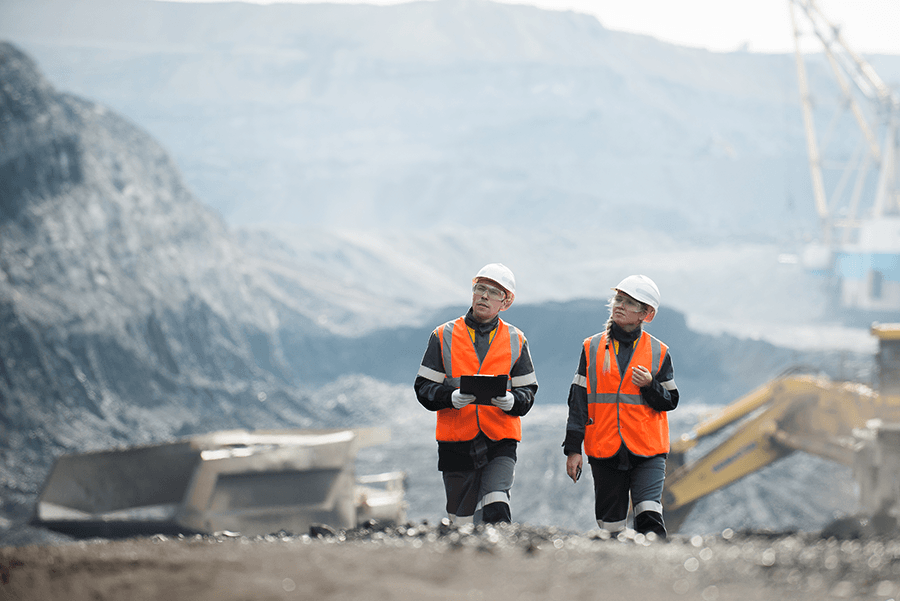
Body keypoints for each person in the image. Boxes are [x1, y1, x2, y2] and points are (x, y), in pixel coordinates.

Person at [414, 263, 538, 525]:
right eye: (480, 288)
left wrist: (513, 401)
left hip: (500, 439)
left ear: (506, 302)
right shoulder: (443, 335)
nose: (484, 296)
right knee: (461, 523)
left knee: (496, 507)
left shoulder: (517, 339)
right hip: (456, 442)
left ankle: (501, 563)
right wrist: (449, 397)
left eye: (494, 292)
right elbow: (423, 388)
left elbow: (528, 391)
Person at [562, 274, 678, 538]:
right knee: (610, 527)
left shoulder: (659, 351)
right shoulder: (591, 347)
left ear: (646, 315)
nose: (619, 305)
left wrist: (650, 385)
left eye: (629, 303)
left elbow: (670, 400)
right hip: (605, 449)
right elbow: (578, 400)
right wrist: (573, 449)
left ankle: (654, 574)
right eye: (618, 299)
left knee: (649, 515)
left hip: (648, 449)